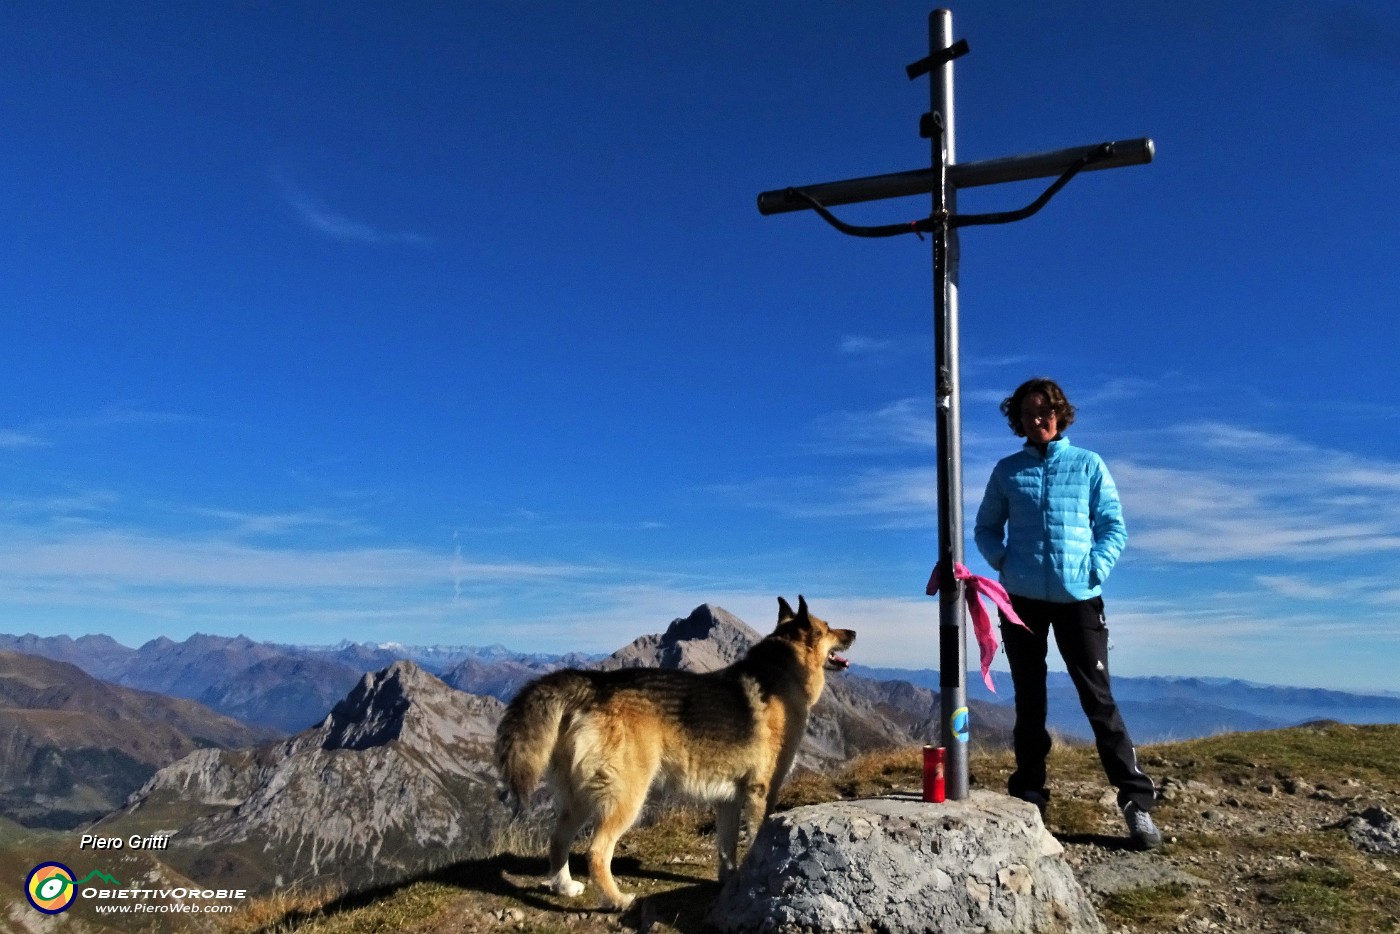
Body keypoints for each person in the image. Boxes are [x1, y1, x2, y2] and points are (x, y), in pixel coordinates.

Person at [973, 377, 1162, 850]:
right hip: (1022, 601)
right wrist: (1004, 563)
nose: (1039, 419)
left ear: (1060, 413)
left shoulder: (1088, 465)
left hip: (1080, 598)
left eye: (1046, 410)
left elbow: (1113, 526)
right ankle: (1031, 797)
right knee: (1029, 702)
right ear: (1018, 420)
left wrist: (1094, 568)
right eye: (1029, 412)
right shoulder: (1007, 471)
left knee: (1098, 700)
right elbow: (985, 528)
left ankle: (1136, 804)